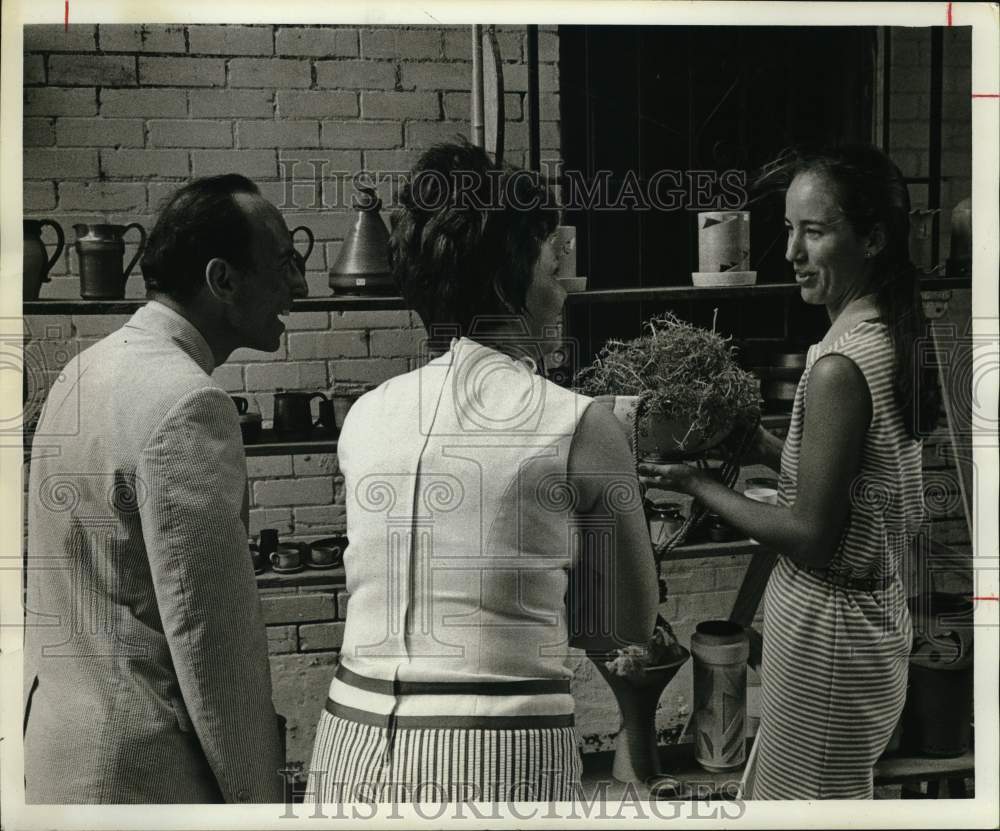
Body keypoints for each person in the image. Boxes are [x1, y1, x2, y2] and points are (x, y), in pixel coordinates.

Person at [305, 140, 659, 804]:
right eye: (553, 266)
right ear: (510, 279)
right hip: (494, 754)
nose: (562, 287)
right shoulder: (579, 423)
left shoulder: (366, 416)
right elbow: (622, 624)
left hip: (348, 746)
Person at [639, 144, 939, 800]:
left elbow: (809, 532)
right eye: (788, 229)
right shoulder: (889, 336)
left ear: (874, 240)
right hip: (867, 627)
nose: (791, 253)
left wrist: (697, 485)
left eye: (815, 230)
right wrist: (760, 441)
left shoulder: (838, 368)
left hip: (831, 638)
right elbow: (855, 486)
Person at [23, 174, 309, 803]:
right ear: (222, 281)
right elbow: (212, 644)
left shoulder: (82, 369)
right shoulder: (188, 401)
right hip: (144, 772)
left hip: (57, 751)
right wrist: (258, 803)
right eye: (285, 263)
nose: (300, 286)